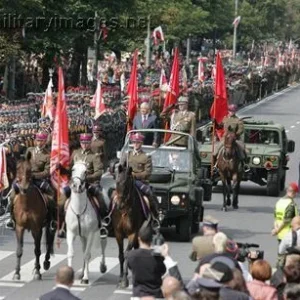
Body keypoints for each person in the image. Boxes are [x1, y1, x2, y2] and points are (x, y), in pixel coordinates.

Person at [58, 133, 107, 238]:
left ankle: (102, 223)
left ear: (90, 143)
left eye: (87, 143)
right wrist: (61, 168)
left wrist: (86, 178)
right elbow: (69, 168)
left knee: (100, 199)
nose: (84, 145)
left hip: (90, 183)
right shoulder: (75, 154)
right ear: (80, 143)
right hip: (75, 184)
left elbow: (98, 172)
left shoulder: (94, 156)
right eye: (83, 143)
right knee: (61, 199)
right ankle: (61, 225)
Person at [6, 132, 56, 231]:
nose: (39, 143)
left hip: (38, 179)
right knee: (12, 194)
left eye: (42, 141)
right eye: (38, 140)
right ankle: (11, 219)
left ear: (45, 141)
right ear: (35, 141)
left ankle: (52, 220)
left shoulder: (47, 155)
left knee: (51, 195)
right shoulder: (29, 150)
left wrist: (34, 175)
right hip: (25, 178)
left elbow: (47, 171)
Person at [120, 132, 159, 219]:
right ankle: (109, 216)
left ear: (141, 143)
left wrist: (134, 175)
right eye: (134, 142)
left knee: (149, 193)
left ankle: (155, 214)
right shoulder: (127, 155)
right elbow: (121, 167)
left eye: (138, 142)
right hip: (127, 181)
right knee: (116, 194)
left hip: (140, 182)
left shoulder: (146, 156)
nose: (136, 144)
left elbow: (147, 173)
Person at [127, 226, 166, 299]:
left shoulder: (131, 255)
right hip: (156, 295)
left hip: (138, 294)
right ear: (151, 240)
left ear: (139, 238)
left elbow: (130, 267)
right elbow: (163, 271)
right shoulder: (157, 257)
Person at [213, 104, 250, 172]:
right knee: (216, 151)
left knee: (242, 150)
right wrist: (215, 122)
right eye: (230, 111)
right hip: (225, 139)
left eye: (233, 111)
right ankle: (215, 165)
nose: (231, 112)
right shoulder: (225, 118)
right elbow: (220, 126)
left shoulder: (238, 120)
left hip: (235, 139)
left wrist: (235, 134)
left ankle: (245, 164)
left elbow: (241, 130)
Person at [272, 182, 299, 265]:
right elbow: (286, 220)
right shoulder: (291, 205)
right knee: (290, 259)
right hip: (290, 235)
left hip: (280, 235)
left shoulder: (279, 202)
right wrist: (277, 230)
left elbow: (276, 217)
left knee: (281, 254)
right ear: (294, 193)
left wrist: (276, 229)